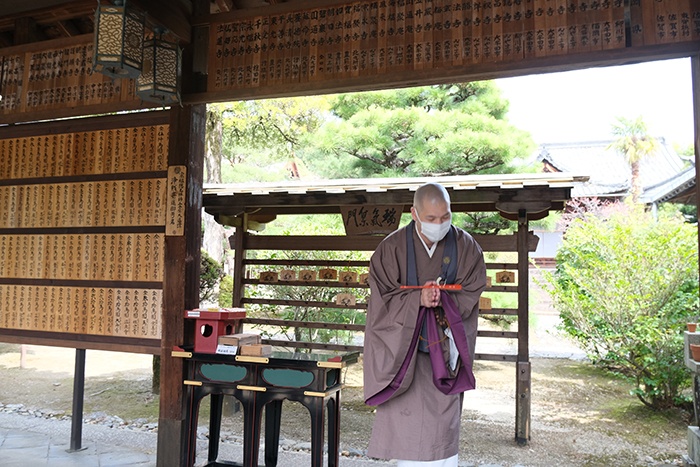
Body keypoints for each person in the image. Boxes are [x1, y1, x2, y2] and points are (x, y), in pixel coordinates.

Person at [363, 182, 487, 467]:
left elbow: (472, 288)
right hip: (402, 357)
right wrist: (417, 298)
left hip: (442, 355)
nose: (439, 224)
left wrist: (444, 300)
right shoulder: (391, 248)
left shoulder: (466, 246)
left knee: (441, 435)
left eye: (445, 217)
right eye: (431, 219)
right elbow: (382, 299)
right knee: (406, 439)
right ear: (414, 214)